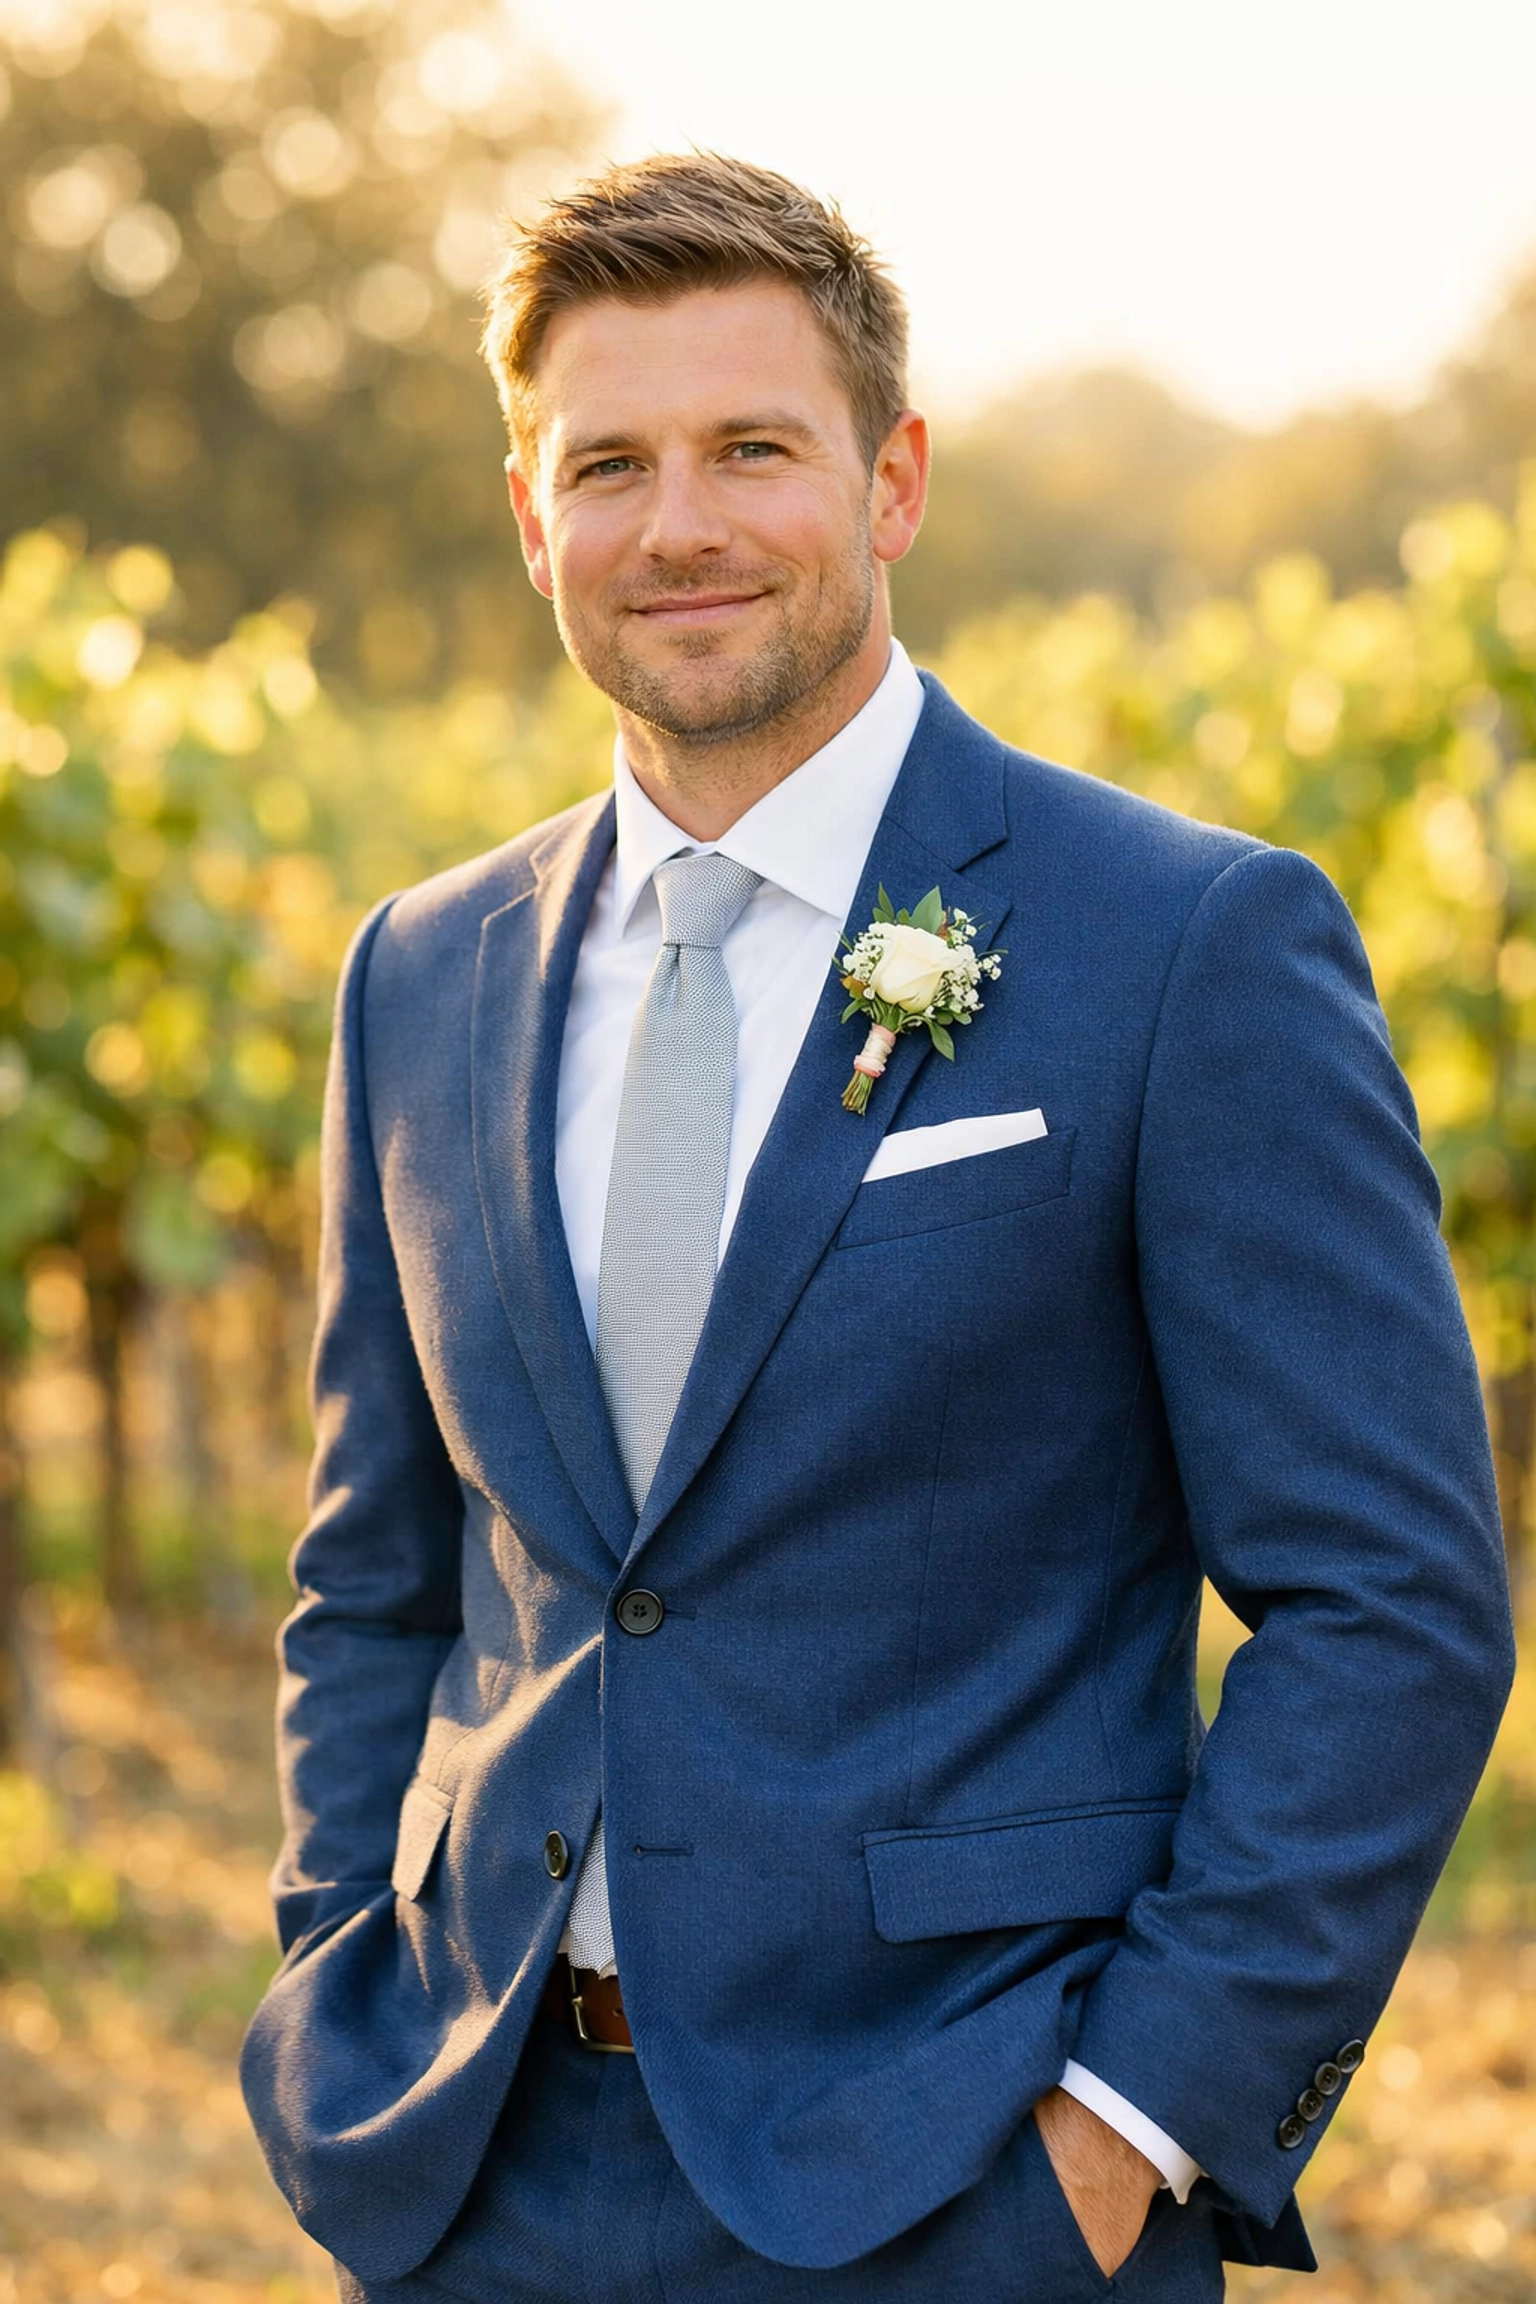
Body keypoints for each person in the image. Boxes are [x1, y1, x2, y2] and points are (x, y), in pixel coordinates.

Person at [239, 153, 1516, 2303]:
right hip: (470, 2172)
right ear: (534, 518)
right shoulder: (420, 972)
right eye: (610, 463)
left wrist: (1132, 2129)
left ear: (895, 478)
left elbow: (1391, 1602)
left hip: (969, 2180)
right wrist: (335, 1989)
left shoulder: (1184, 946)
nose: (685, 525)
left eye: (756, 447)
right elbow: (378, 1575)